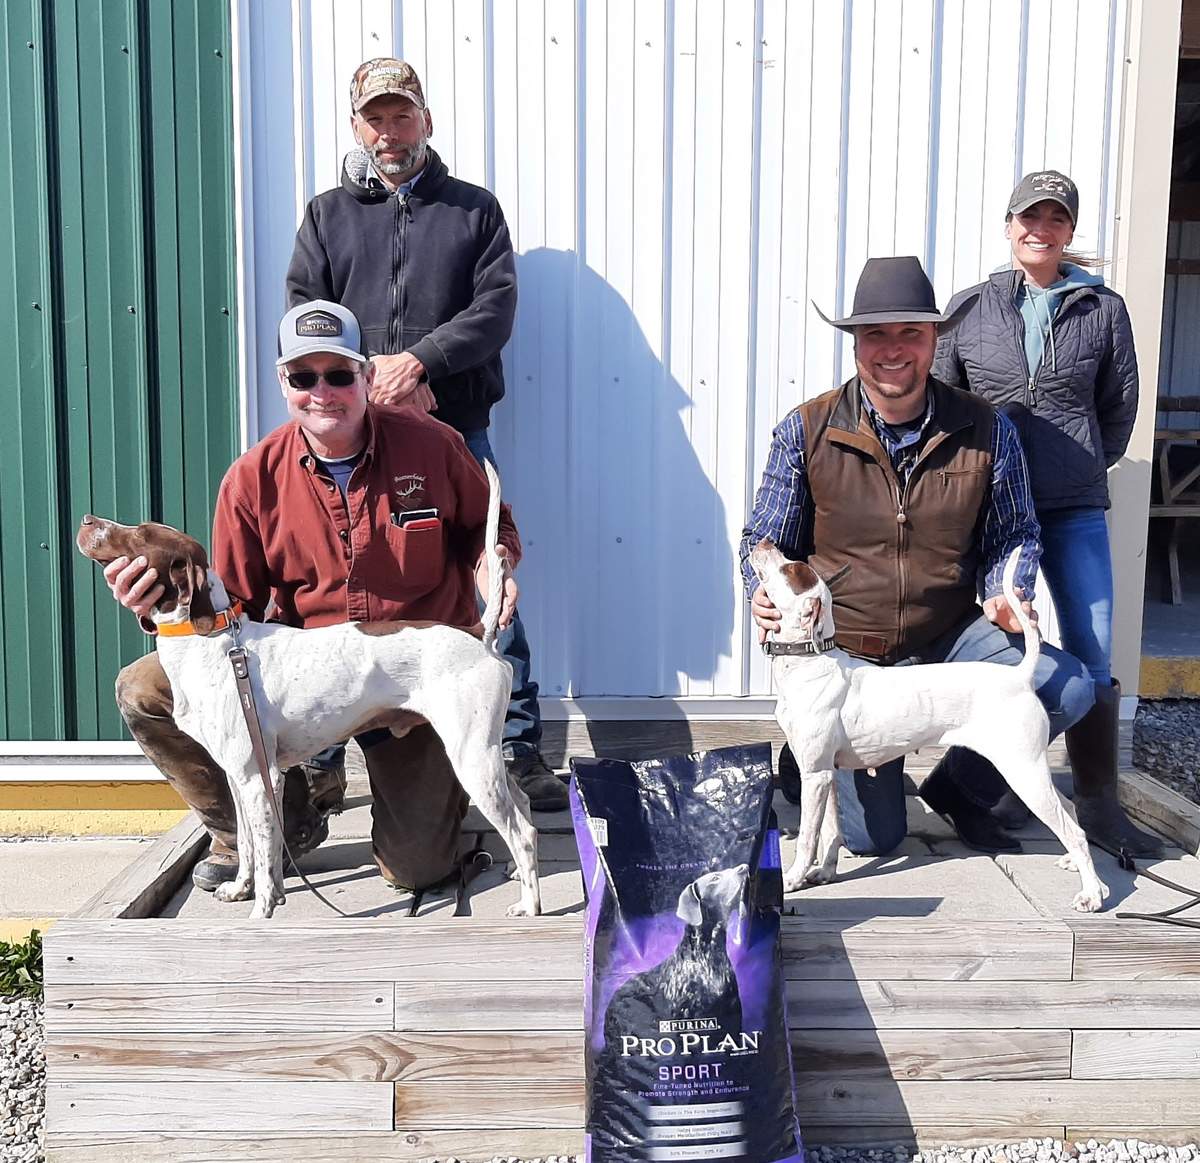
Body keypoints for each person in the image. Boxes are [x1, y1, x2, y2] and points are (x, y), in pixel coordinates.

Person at [105, 300, 522, 893]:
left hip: (415, 672)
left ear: (368, 377)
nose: (321, 392)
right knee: (145, 688)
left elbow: (489, 528)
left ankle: (394, 797)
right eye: (304, 377)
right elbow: (234, 609)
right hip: (309, 677)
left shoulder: (434, 445)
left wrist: (493, 569)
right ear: (284, 383)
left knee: (418, 871)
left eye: (339, 374)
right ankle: (266, 819)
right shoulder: (251, 479)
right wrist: (159, 608)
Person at [741, 256, 1096, 857]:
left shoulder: (987, 428)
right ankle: (810, 751)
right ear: (855, 342)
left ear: (937, 338)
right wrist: (762, 592)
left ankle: (958, 787)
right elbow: (762, 540)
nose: (893, 350)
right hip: (852, 654)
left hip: (952, 631)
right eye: (876, 334)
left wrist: (1006, 593)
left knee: (1067, 687)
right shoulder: (804, 429)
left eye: (911, 332)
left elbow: (1016, 536)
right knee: (872, 842)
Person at [284, 57, 566, 812]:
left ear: (426, 121)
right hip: (354, 436)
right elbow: (304, 313)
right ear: (356, 127)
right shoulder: (325, 217)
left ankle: (515, 739)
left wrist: (420, 362)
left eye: (401, 115)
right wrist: (367, 378)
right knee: (342, 574)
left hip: (454, 430)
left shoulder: (474, 212)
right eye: (374, 118)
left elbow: (494, 310)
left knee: (488, 577)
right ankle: (322, 754)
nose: (389, 131)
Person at [933, 169, 1160, 856]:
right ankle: (980, 784)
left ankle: (1096, 806)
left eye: (1056, 218)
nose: (1041, 228)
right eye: (1029, 216)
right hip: (992, 516)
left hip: (1075, 509)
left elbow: (1119, 406)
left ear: (1069, 231)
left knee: (1090, 661)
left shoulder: (1103, 309)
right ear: (1009, 227)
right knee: (1005, 653)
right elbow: (945, 401)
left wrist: (1084, 461)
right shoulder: (968, 309)